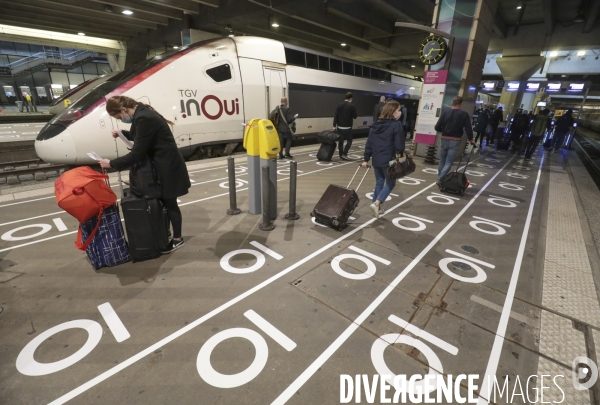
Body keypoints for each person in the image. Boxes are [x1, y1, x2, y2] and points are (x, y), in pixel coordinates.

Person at [96, 95, 191, 253]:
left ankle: (178, 239)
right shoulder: (141, 114)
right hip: (162, 165)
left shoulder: (144, 118)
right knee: (164, 201)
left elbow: (137, 154)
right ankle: (164, 233)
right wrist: (123, 133)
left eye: (119, 117)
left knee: (170, 203)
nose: (120, 119)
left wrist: (111, 164)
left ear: (123, 109)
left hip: (168, 167)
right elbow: (141, 136)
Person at [361, 101, 406, 218]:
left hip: (376, 159)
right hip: (389, 160)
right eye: (398, 110)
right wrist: (400, 156)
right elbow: (399, 146)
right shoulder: (396, 125)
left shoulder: (375, 125)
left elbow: (369, 143)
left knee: (379, 182)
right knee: (391, 183)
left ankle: (375, 206)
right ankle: (377, 203)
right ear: (393, 112)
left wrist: (366, 159)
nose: (400, 113)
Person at [434, 96, 475, 187]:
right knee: (449, 161)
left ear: (452, 103)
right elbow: (468, 128)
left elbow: (437, 127)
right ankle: (440, 178)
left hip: (444, 138)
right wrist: (471, 139)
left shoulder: (445, 113)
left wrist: (443, 130)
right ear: (460, 104)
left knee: (442, 160)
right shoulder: (464, 114)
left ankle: (441, 177)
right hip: (455, 140)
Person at [333, 92, 357, 160]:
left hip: (340, 127)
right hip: (348, 127)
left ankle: (341, 155)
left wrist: (334, 125)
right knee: (349, 141)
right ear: (351, 98)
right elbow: (355, 116)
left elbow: (336, 116)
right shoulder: (352, 106)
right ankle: (345, 153)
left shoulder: (339, 105)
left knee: (341, 141)